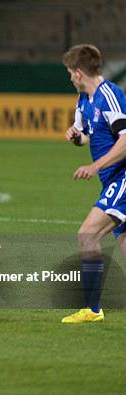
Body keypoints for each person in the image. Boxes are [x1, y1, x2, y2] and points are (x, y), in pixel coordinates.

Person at [61, 44, 126, 324]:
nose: (69, 78)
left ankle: (92, 309)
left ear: (78, 72)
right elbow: (86, 136)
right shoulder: (84, 100)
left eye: (69, 72)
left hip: (122, 178)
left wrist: (95, 166)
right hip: (111, 179)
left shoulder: (109, 95)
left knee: (87, 234)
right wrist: (76, 136)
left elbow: (125, 139)